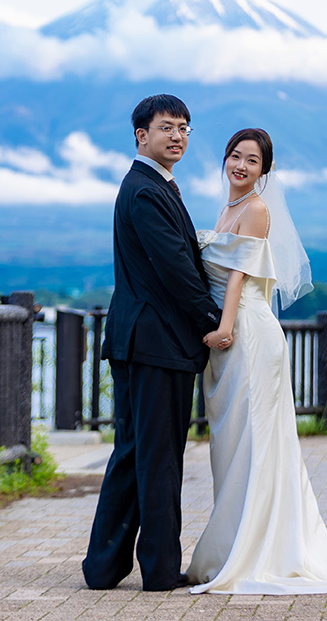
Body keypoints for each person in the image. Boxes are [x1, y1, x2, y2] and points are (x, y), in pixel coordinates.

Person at [184, 128, 327, 594]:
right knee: (233, 444)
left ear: (264, 172)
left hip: (247, 332)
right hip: (233, 331)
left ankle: (256, 550)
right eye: (235, 156)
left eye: (252, 161)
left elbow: (238, 275)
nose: (241, 166)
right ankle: (235, 541)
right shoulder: (228, 208)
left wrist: (225, 326)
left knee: (255, 440)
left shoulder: (255, 209)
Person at [85, 94, 222, 591]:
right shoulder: (145, 191)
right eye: (168, 127)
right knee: (158, 456)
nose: (178, 136)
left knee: (135, 451)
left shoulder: (154, 185)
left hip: (141, 341)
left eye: (185, 128)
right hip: (155, 342)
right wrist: (214, 319)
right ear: (142, 134)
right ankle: (161, 570)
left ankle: (102, 566)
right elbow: (175, 270)